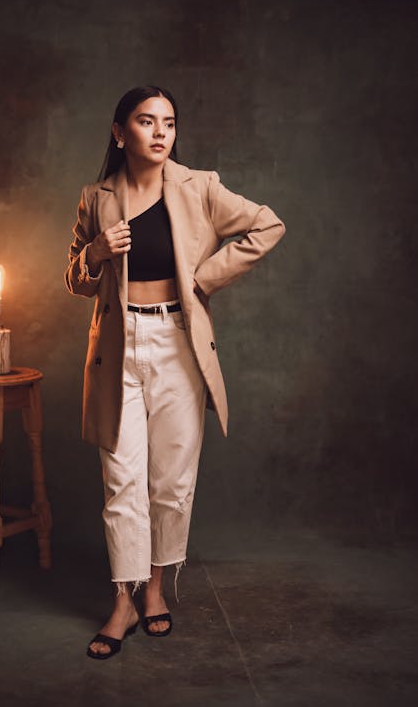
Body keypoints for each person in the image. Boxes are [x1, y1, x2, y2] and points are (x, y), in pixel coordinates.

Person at [65, 85, 286, 659]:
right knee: (121, 481)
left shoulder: (200, 187)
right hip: (117, 349)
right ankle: (121, 599)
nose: (160, 132)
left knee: (171, 482)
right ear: (120, 132)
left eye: (168, 122)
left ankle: (156, 590)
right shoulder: (96, 198)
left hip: (178, 345)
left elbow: (268, 226)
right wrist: (94, 254)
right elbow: (75, 279)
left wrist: (204, 278)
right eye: (146, 121)